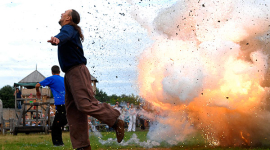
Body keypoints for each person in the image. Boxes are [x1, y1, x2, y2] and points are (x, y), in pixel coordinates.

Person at [47, 9, 124, 150]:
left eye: (64, 13)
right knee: (74, 112)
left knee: (84, 104)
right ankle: (82, 146)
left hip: (77, 72)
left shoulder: (69, 29)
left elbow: (64, 34)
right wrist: (59, 39)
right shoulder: (69, 29)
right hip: (70, 74)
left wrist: (58, 39)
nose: (61, 13)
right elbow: (64, 34)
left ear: (68, 18)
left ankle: (115, 121)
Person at [35, 65, 67, 146]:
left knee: (56, 126)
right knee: (59, 124)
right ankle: (60, 142)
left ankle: (58, 143)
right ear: (59, 72)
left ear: (52, 72)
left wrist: (38, 92)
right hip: (67, 103)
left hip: (60, 104)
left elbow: (37, 85)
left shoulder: (51, 78)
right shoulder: (63, 79)